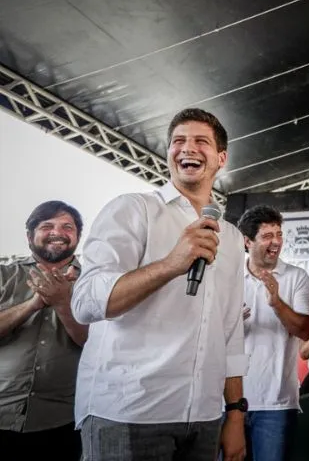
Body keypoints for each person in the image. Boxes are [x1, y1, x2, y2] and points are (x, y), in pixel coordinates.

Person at [71, 108, 248, 461]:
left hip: (203, 415)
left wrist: (235, 414)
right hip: (128, 412)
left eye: (201, 141)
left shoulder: (231, 237)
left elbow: (229, 333)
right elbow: (87, 302)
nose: (187, 148)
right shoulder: (132, 210)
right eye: (178, 141)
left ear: (221, 158)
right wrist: (170, 265)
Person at [0, 201, 87, 460]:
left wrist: (62, 302)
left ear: (78, 236)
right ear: (29, 236)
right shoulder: (5, 275)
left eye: (67, 227)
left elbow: (94, 343)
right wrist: (33, 304)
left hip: (63, 420)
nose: (56, 232)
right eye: (47, 226)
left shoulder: (93, 282)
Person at [236, 205, 309, 461]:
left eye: (279, 234)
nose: (276, 242)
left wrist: (277, 303)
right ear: (247, 242)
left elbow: (305, 330)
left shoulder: (296, 277)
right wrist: (230, 323)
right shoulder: (229, 277)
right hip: (230, 403)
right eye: (267, 236)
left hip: (277, 404)